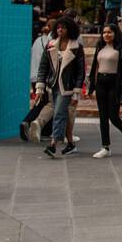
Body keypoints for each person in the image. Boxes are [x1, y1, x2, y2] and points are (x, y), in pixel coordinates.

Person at [36, 15, 85, 158]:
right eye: (58, 27)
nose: (60, 30)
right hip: (53, 86)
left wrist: (76, 92)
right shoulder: (51, 45)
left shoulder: (76, 47)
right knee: (65, 115)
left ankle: (53, 144)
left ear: (69, 29)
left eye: (63, 27)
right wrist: (40, 87)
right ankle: (70, 143)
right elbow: (43, 67)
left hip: (68, 88)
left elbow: (80, 71)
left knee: (59, 113)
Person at [87, 22, 122, 158]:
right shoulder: (100, 47)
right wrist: (91, 87)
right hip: (100, 82)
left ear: (115, 33)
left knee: (113, 116)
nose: (106, 34)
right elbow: (95, 66)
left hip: (114, 84)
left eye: (109, 32)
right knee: (102, 117)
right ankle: (105, 147)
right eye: (104, 32)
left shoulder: (121, 50)